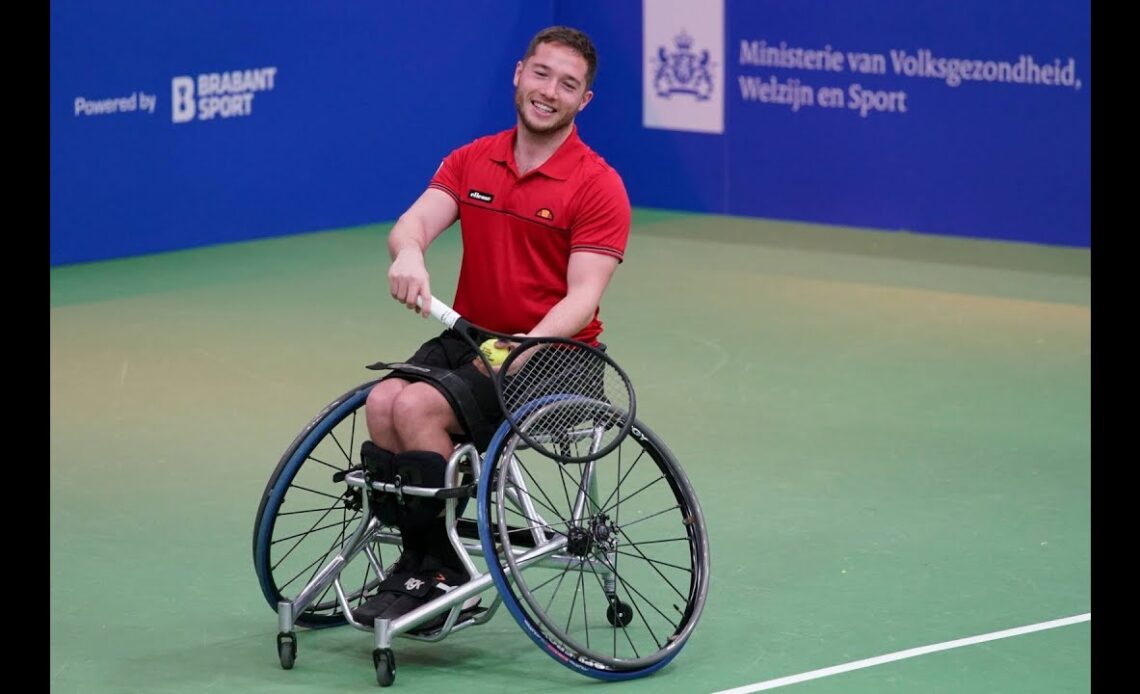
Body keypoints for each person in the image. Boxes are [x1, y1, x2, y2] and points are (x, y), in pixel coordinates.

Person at [352, 25, 632, 630]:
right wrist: (408, 254)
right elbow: (415, 223)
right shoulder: (474, 158)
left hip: (556, 351)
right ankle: (418, 559)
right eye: (541, 73)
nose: (548, 91)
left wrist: (516, 349)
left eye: (568, 84)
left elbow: (582, 299)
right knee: (383, 401)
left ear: (584, 101)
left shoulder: (598, 185)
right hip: (469, 332)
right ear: (518, 73)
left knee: (420, 409)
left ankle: (448, 572)